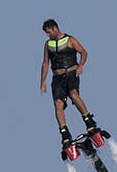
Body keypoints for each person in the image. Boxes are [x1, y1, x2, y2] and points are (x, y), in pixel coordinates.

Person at [40, 19, 99, 149]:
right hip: (57, 78)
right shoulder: (47, 44)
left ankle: (89, 121)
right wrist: (42, 82)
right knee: (58, 104)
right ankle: (64, 134)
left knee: (73, 94)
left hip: (71, 73)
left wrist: (81, 66)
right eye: (46, 33)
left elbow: (83, 52)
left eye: (49, 32)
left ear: (55, 28)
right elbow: (45, 63)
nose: (48, 35)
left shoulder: (69, 40)